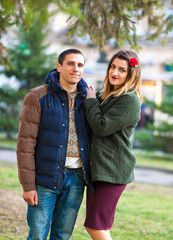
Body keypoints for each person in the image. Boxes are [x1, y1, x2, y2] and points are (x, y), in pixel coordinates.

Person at [16, 48, 94, 240]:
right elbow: (25, 144)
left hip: (76, 179)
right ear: (59, 66)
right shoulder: (37, 96)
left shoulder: (89, 100)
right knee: (37, 236)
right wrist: (28, 185)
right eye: (70, 63)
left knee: (62, 236)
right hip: (44, 178)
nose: (75, 68)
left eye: (80, 65)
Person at [83, 50, 143, 240]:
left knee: (96, 226)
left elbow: (101, 126)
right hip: (100, 170)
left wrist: (91, 100)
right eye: (113, 67)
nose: (114, 72)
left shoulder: (129, 100)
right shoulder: (108, 95)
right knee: (99, 226)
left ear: (131, 74)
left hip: (113, 172)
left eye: (122, 70)